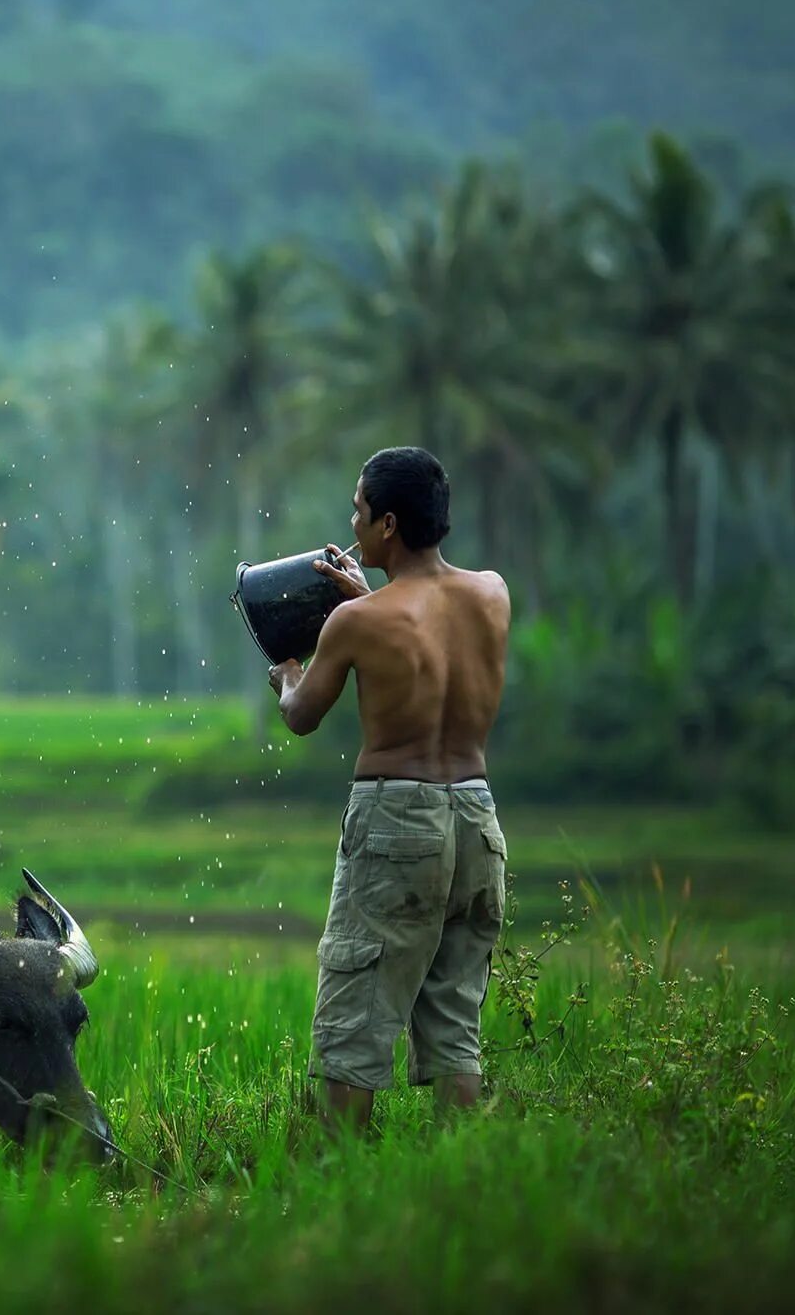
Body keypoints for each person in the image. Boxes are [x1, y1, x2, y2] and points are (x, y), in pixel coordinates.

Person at [269, 446, 511, 1131]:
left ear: (388, 526)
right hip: (477, 817)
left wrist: (286, 673)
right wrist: (372, 598)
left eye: (359, 509)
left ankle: (343, 1174)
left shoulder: (355, 622)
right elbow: (424, 630)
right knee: (454, 1021)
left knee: (355, 1019)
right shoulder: (492, 592)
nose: (352, 521)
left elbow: (302, 714)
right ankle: (458, 1173)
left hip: (395, 819)